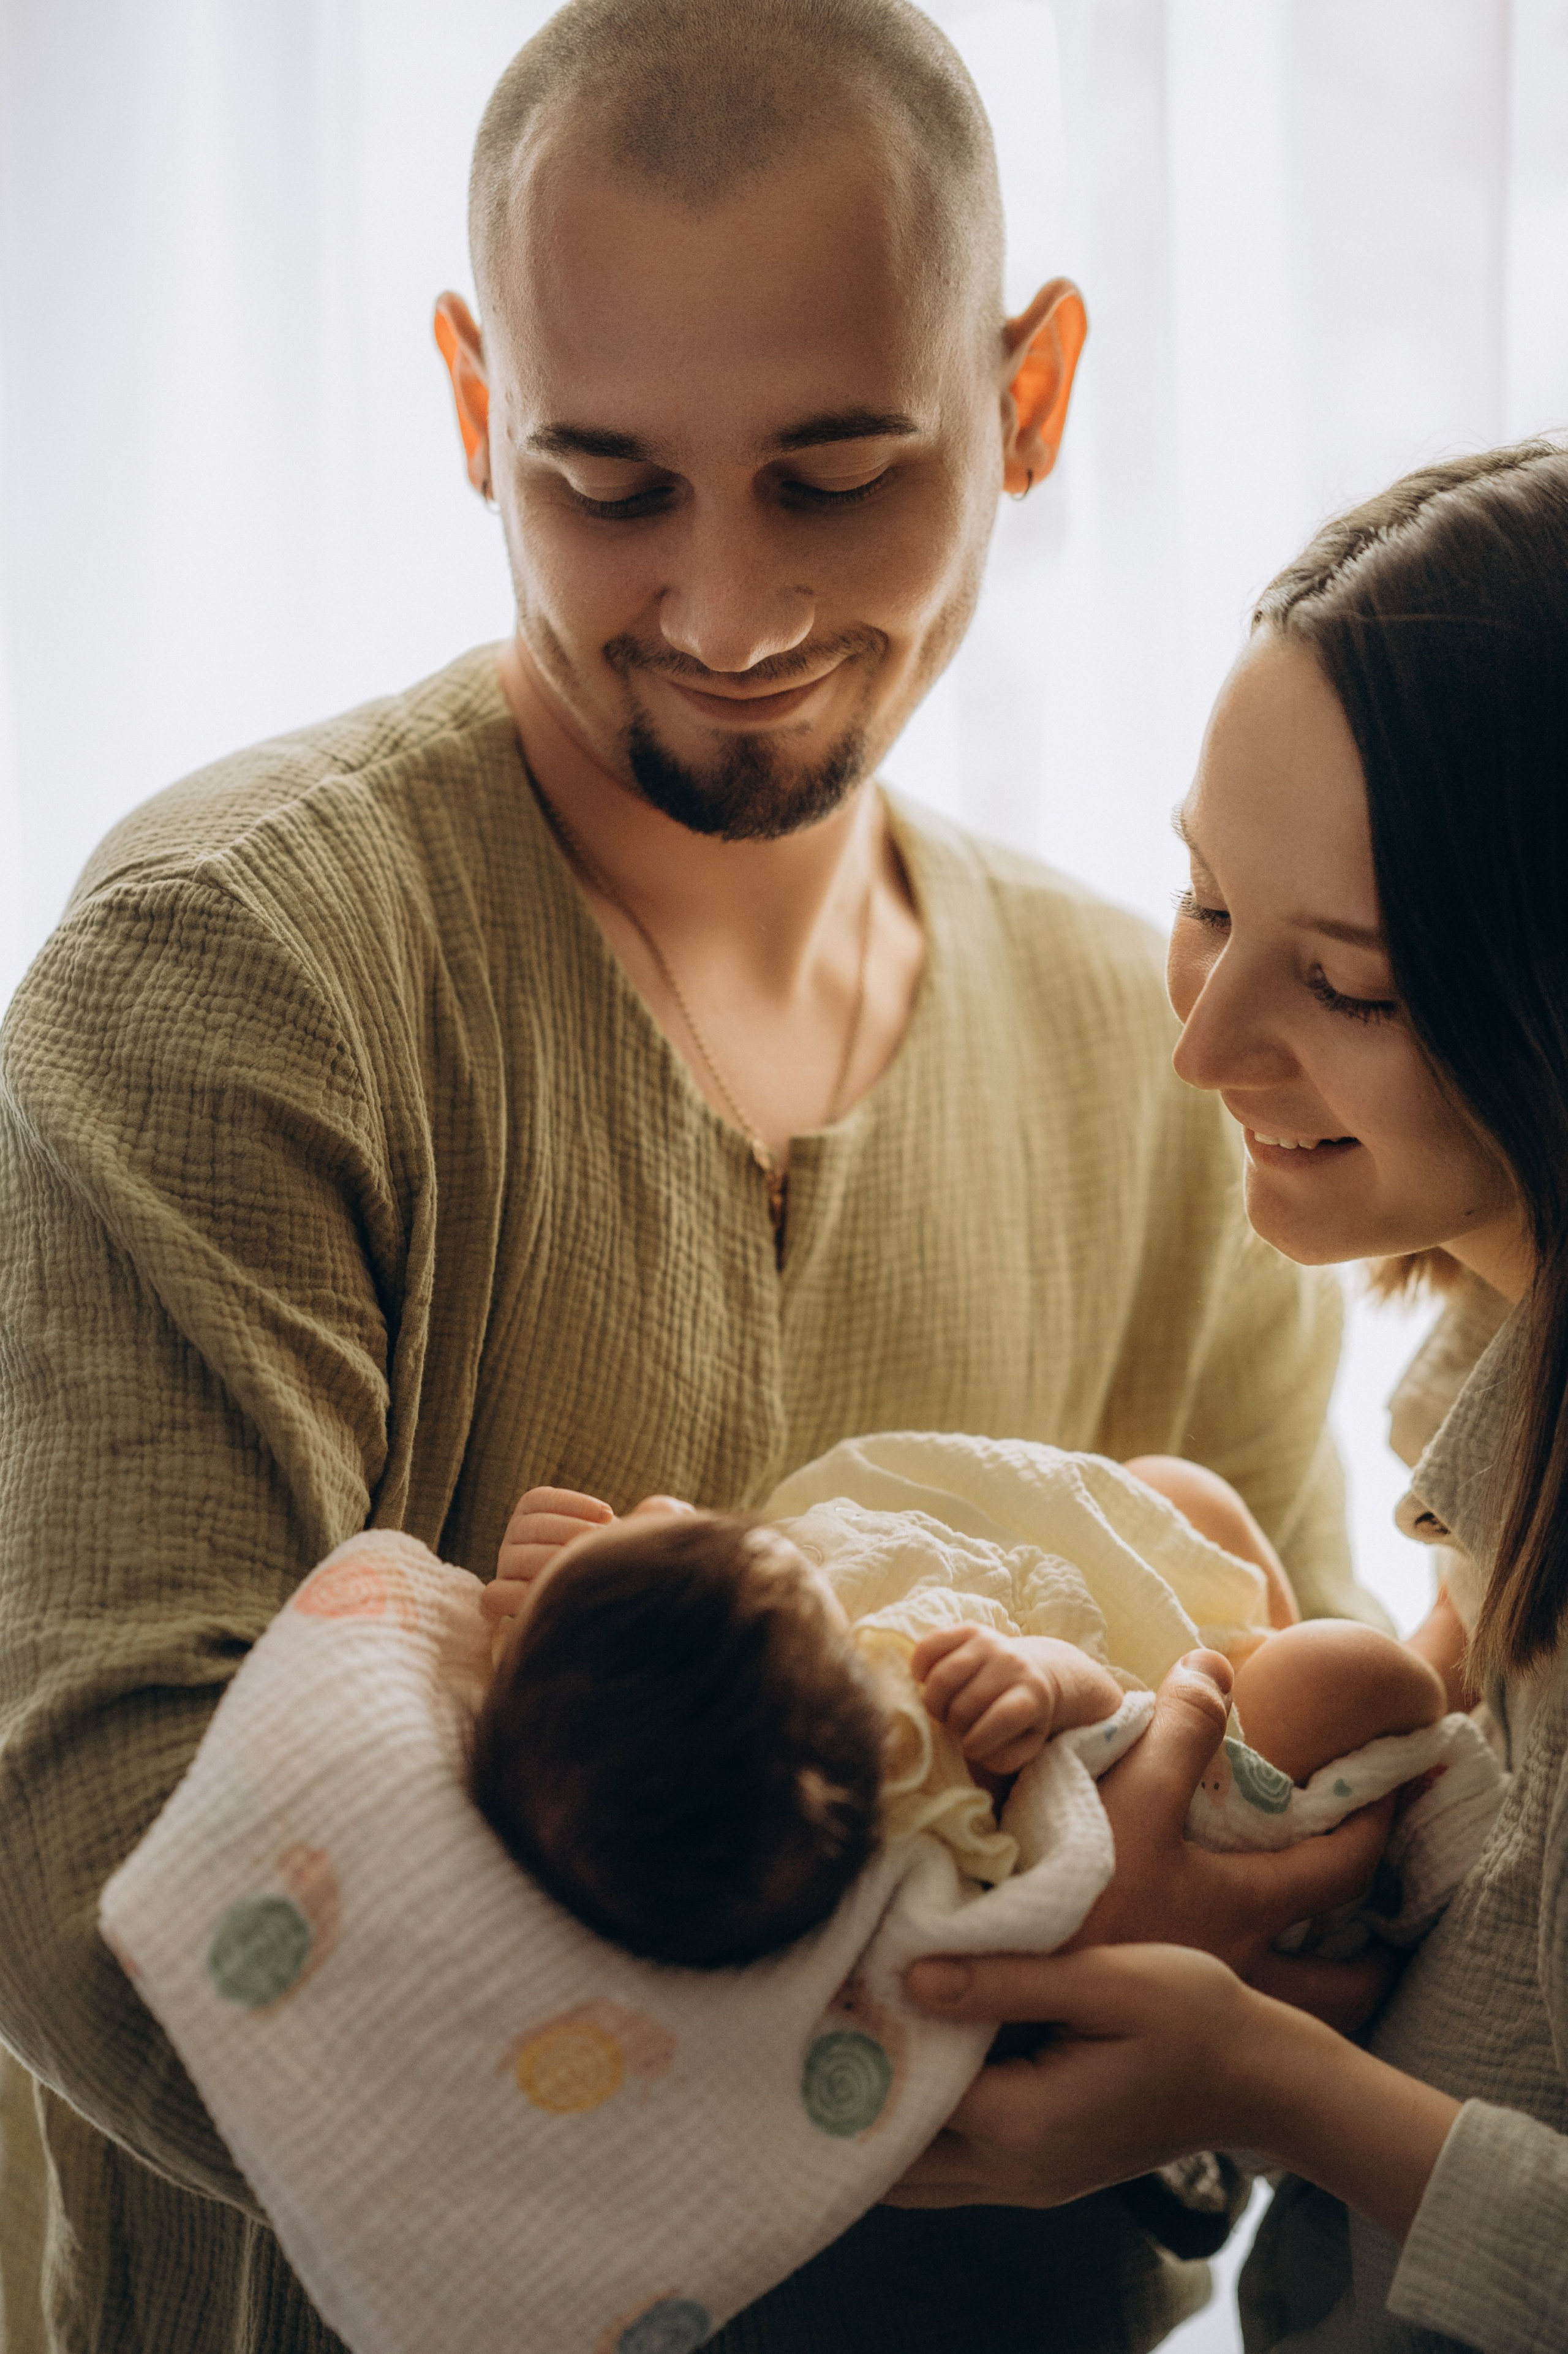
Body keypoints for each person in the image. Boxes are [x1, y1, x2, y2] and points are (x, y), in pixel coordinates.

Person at [0, 4, 1387, 2350]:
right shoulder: (232, 976)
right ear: (471, 413)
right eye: (607, 483)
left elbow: (1329, 1875)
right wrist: (1010, 1971)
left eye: (839, 477)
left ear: (1032, 397)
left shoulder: (1176, 1051)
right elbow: (106, 1872)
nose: (729, 612)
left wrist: (1193, 1977)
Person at [889, 439, 1568, 2354]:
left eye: (1343, 983)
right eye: (1203, 898)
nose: (1198, 1044)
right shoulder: (1491, 1419)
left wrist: (1257, 2078)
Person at [470, 1468, 1442, 1971]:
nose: (671, 1508)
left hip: (1176, 1687)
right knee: (1348, 1669)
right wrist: (1042, 1680)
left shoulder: (654, 1704)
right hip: (1176, 1797)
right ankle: (1432, 1712)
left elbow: (656, 1587)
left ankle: (1261, 1641)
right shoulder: (907, 1759)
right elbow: (1100, 1711)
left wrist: (560, 1579)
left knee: (1180, 1494)